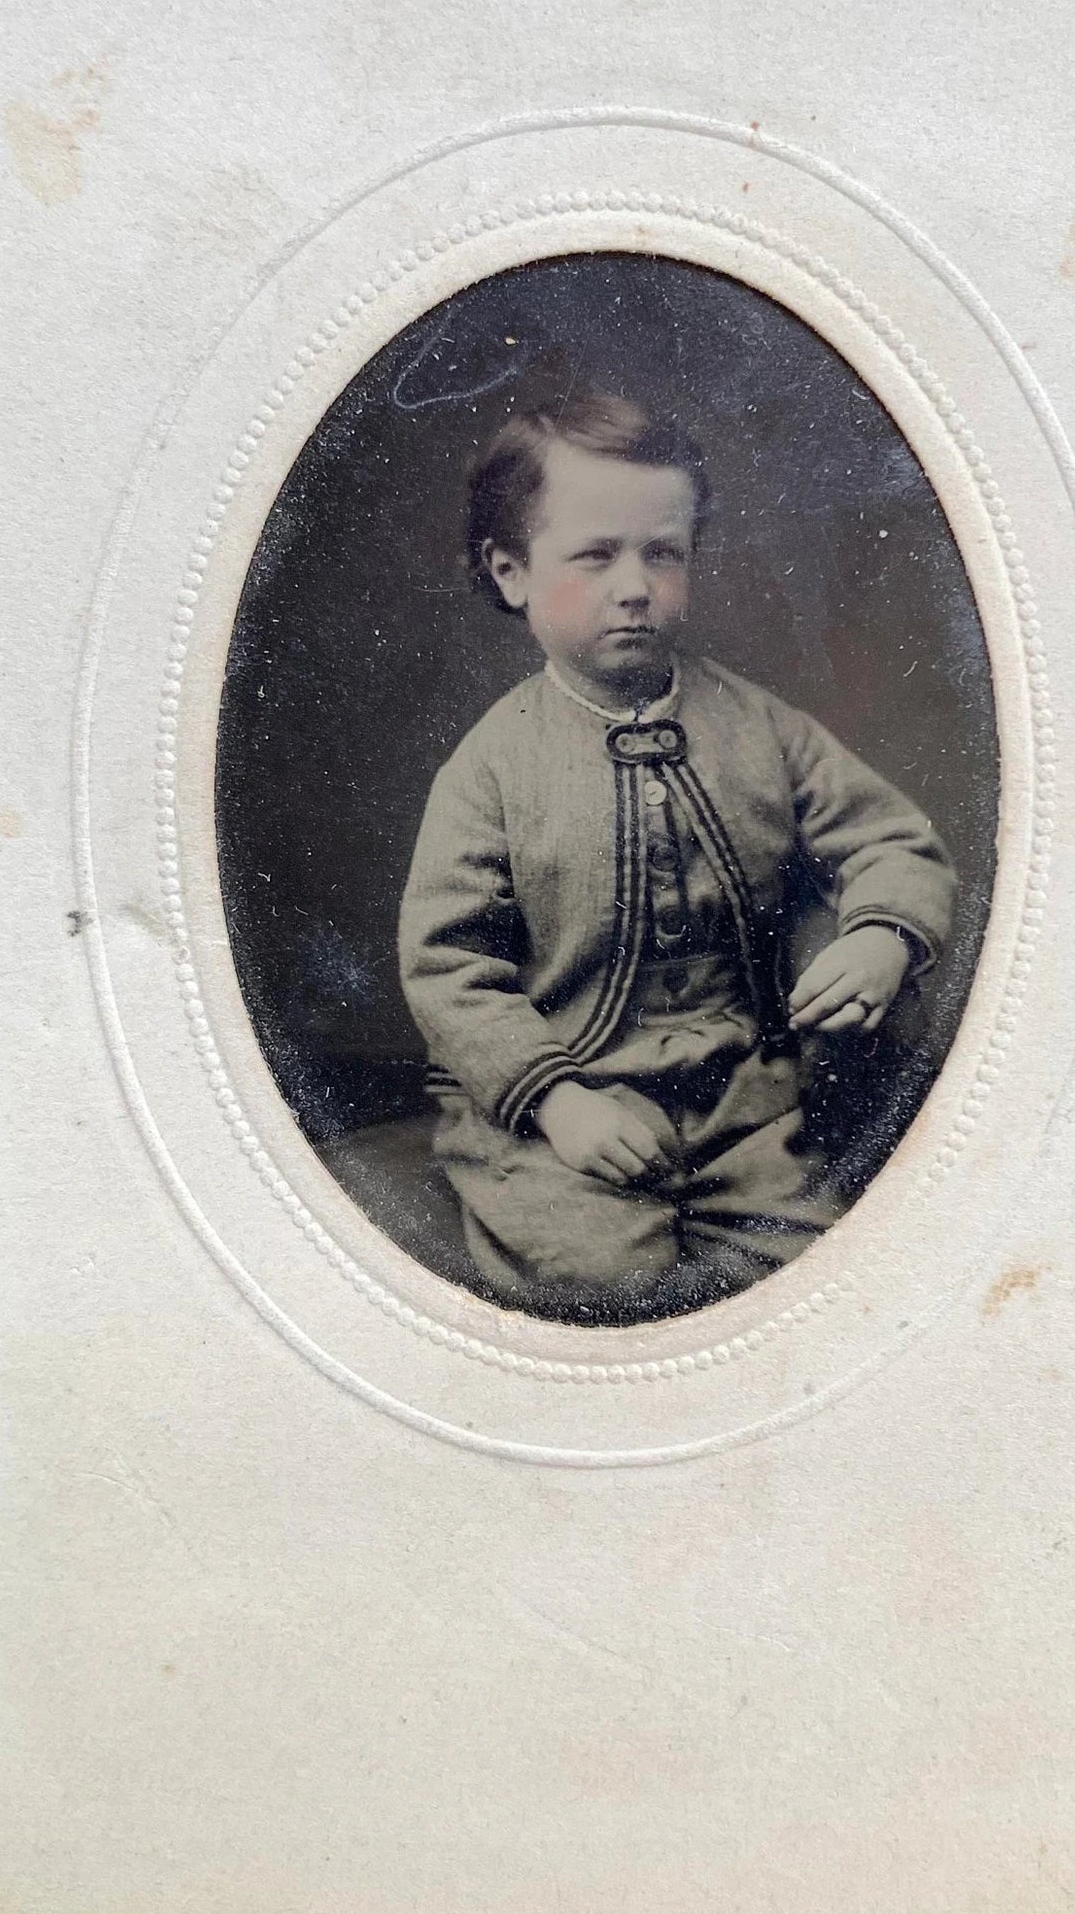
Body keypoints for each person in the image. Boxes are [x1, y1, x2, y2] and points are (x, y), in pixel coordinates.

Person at [398, 386, 956, 1322]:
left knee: (806, 1280)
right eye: (595, 554)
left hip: (748, 1102)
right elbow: (448, 968)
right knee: (601, 1283)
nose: (635, 584)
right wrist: (560, 1102)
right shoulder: (491, 766)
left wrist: (882, 938)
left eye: (663, 552)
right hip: (553, 1112)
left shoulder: (759, 726)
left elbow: (890, 838)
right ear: (510, 572)